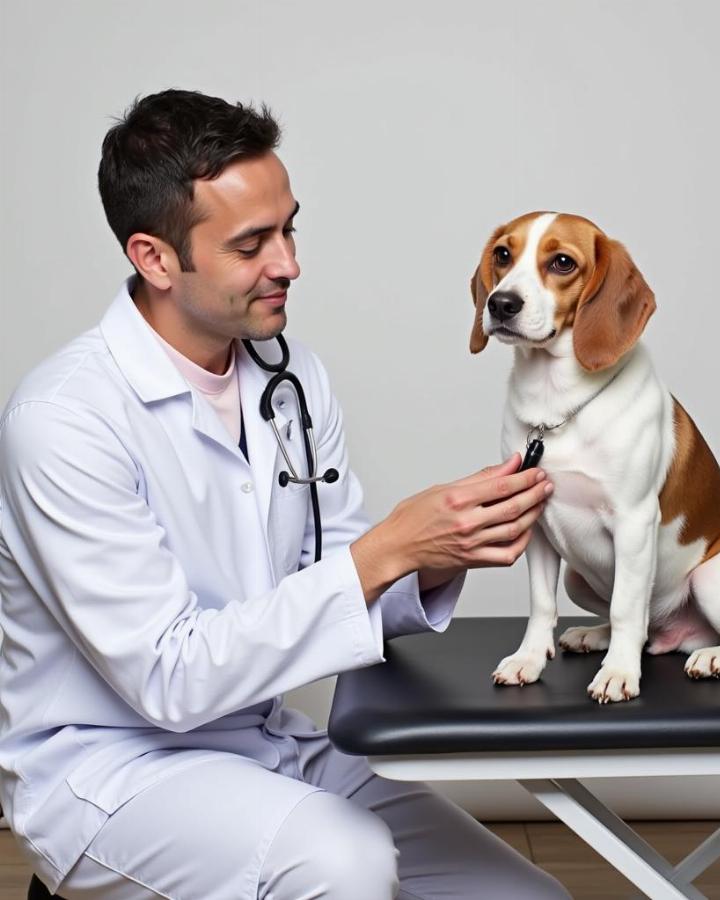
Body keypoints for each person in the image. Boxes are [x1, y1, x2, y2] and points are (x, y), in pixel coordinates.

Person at [0, 89, 569, 899]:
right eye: (251, 244)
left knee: (529, 898)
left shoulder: (291, 376)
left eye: (289, 227)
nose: (289, 263)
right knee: (343, 864)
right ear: (155, 258)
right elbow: (168, 679)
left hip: (264, 741)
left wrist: (441, 552)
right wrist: (391, 548)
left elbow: (339, 573)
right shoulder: (62, 421)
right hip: (111, 771)